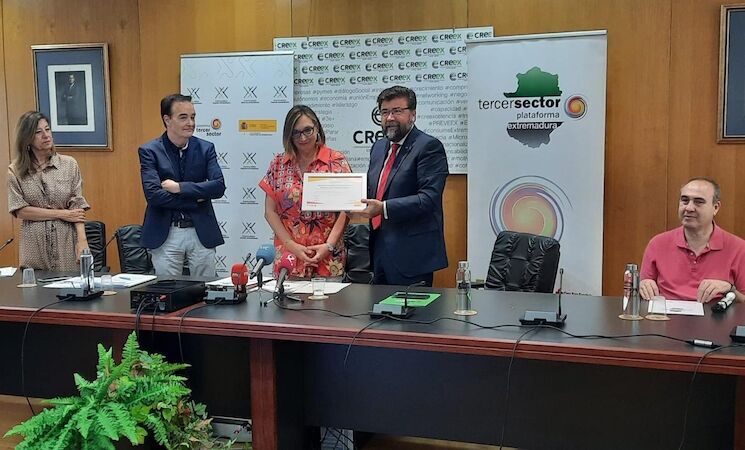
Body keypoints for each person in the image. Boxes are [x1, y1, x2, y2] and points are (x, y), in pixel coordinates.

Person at [356, 86, 449, 286]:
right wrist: (351, 201)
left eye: (397, 111)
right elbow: (375, 190)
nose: (390, 118)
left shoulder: (429, 147)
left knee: (411, 308)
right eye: (384, 112)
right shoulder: (378, 147)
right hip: (379, 250)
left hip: (412, 255)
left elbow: (428, 199)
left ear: (412, 114)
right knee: (377, 306)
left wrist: (383, 208)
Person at [139, 94, 225, 276]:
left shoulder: (206, 148)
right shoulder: (150, 151)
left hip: (201, 231)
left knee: (205, 288)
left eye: (193, 117)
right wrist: (196, 199)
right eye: (183, 117)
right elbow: (154, 195)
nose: (190, 123)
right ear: (167, 120)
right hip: (167, 232)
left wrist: (179, 188)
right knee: (168, 289)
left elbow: (218, 187)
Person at [259, 105, 351, 278]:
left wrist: (329, 245)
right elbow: (270, 211)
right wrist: (291, 245)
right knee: (285, 296)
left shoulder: (336, 161)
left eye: (307, 130)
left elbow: (347, 209)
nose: (303, 138)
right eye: (296, 133)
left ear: (317, 128)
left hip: (328, 256)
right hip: (288, 256)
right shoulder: (278, 163)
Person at [7, 111, 89, 271]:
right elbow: (20, 210)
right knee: (34, 285)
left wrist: (82, 241)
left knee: (68, 283)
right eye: (38, 132)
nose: (46, 135)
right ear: (27, 138)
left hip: (66, 239)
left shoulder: (69, 164)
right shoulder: (15, 171)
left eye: (47, 129)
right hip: (34, 244)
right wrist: (62, 214)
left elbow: (77, 207)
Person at [640, 177, 745, 303]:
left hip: (716, 314)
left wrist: (730, 290)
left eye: (698, 202)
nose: (689, 208)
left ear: (716, 207)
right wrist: (644, 286)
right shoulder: (658, 244)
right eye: (684, 200)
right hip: (665, 314)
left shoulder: (739, 248)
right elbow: (641, 293)